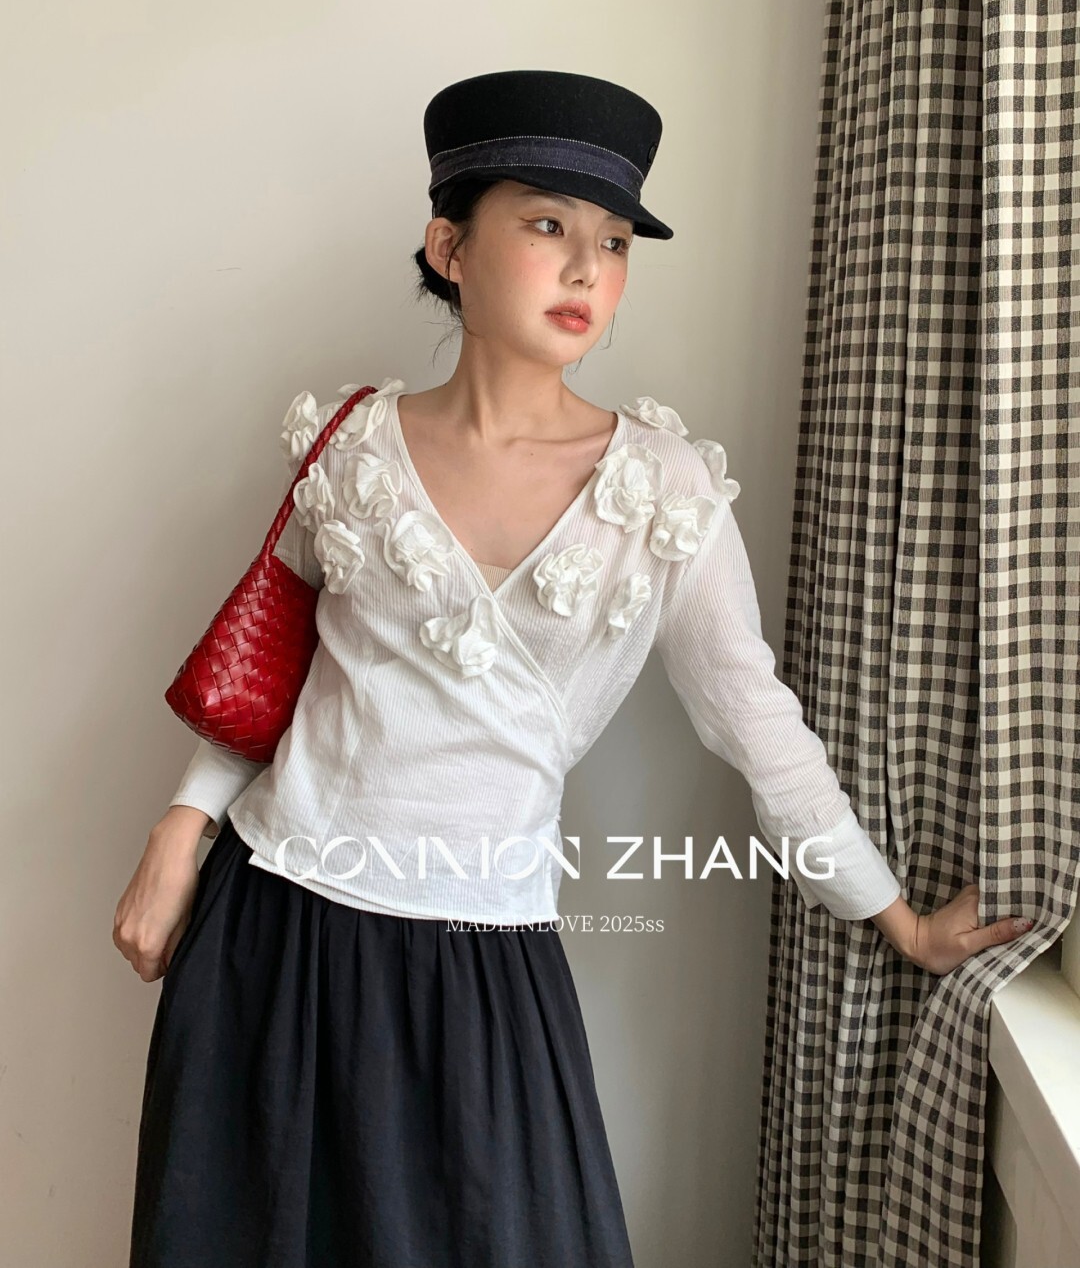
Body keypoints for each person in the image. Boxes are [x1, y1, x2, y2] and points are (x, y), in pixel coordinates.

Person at [113, 69, 1034, 1268]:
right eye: (547, 223)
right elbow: (272, 667)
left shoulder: (663, 491)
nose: (587, 269)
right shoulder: (351, 445)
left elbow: (757, 723)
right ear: (450, 246)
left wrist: (897, 918)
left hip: (482, 962)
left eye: (614, 241)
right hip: (273, 930)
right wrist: (179, 830)